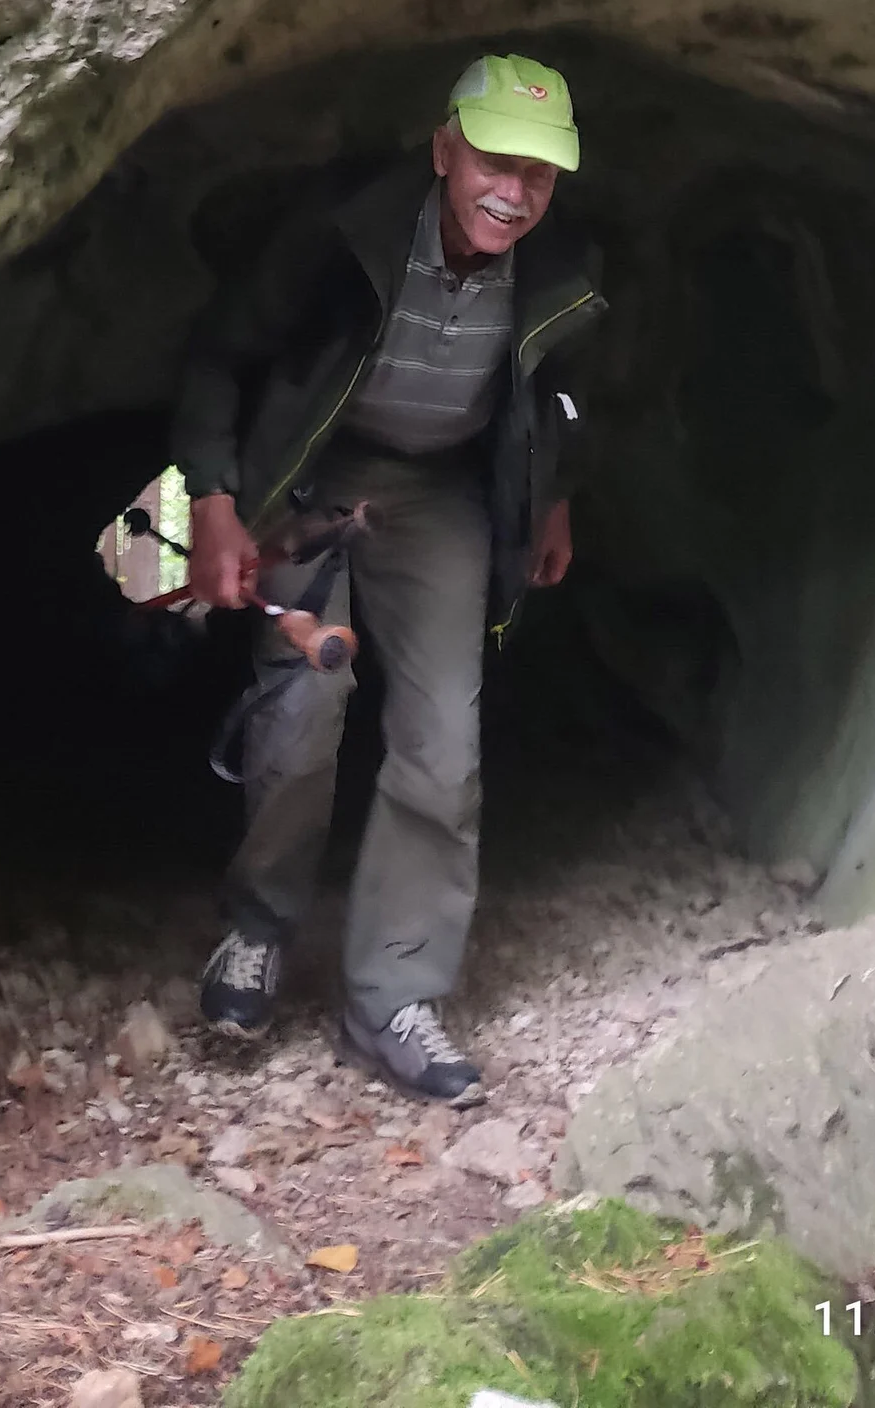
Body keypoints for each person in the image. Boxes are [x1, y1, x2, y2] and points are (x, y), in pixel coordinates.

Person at [171, 55, 605, 1105]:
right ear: (444, 149)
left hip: (442, 490)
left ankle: (393, 995)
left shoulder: (565, 268)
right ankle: (260, 931)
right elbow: (220, 354)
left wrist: (553, 497)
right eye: (495, 161)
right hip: (316, 468)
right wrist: (218, 502)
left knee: (443, 746)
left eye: (539, 175)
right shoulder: (341, 232)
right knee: (304, 705)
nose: (514, 191)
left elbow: (571, 392)